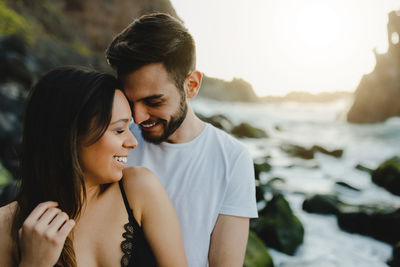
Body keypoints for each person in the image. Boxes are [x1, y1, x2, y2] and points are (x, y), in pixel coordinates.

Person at [106, 13, 258, 267]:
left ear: (191, 85)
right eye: (130, 101)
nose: (138, 116)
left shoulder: (232, 159)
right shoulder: (114, 142)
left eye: (154, 101)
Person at [0, 66, 187, 267]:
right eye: (119, 130)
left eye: (129, 127)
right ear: (69, 136)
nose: (133, 142)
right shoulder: (6, 226)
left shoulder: (140, 189)